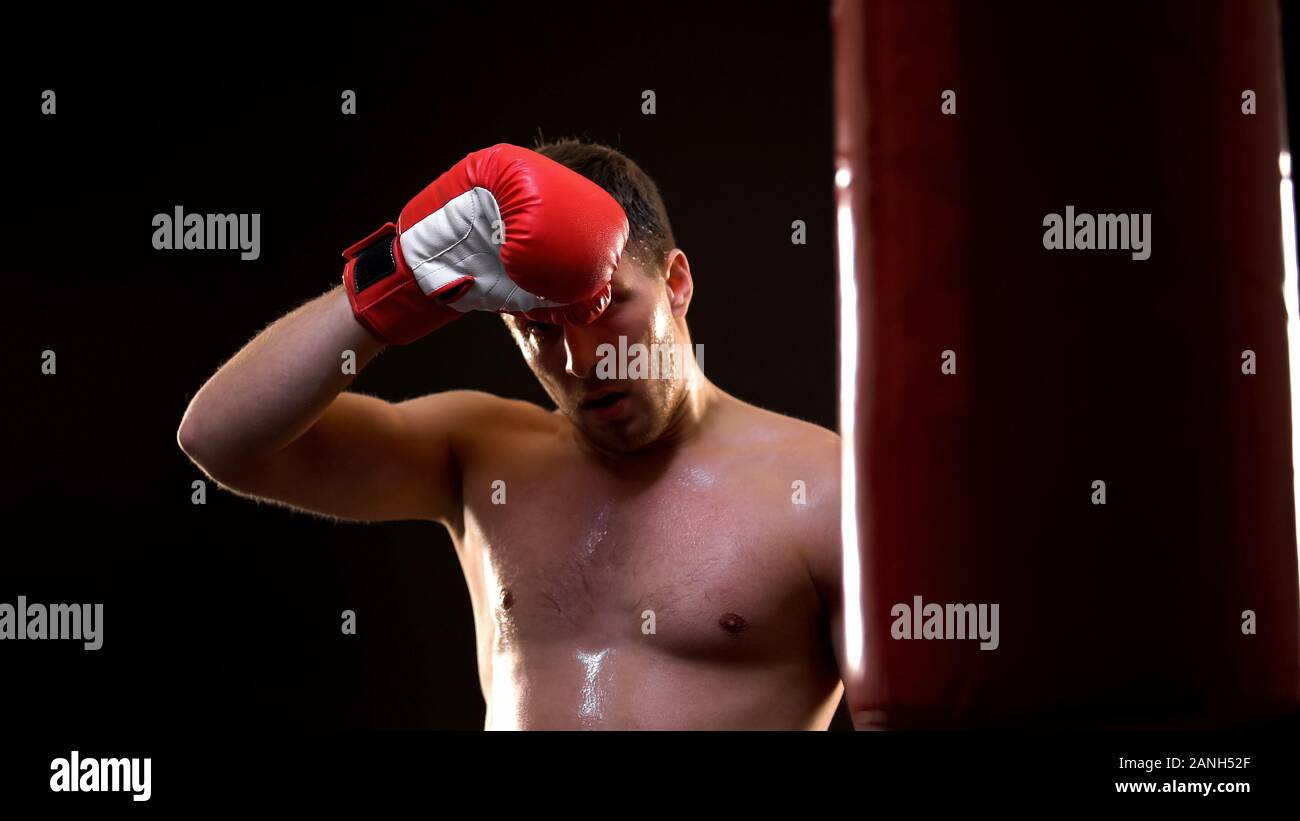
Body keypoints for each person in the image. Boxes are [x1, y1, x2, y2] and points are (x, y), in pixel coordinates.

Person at [177, 139, 850, 729]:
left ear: (676, 283)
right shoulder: (478, 453)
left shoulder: (822, 487)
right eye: (541, 326)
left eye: (608, 303)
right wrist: (397, 278)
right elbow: (220, 437)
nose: (583, 360)